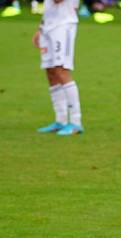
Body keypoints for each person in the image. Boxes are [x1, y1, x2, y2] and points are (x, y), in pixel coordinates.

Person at [33, 0, 84, 136]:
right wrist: (41, 27)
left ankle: (75, 122)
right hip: (48, 26)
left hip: (64, 25)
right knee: (50, 71)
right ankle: (60, 120)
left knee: (61, 70)